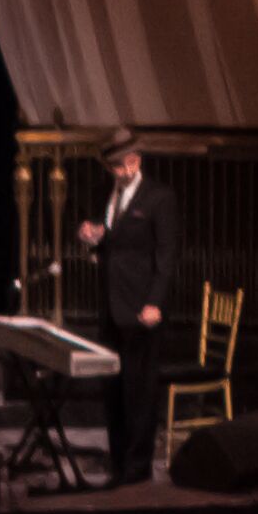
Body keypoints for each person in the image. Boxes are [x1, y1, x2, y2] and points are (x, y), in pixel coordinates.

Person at [82, 131, 183, 483]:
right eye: (114, 167)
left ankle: (137, 469)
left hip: (141, 308)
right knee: (113, 389)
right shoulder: (106, 194)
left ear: (136, 161)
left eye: (125, 165)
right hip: (111, 306)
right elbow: (113, 244)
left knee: (139, 391)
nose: (121, 172)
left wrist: (155, 301)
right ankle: (118, 461)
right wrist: (94, 237)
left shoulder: (159, 198)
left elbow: (166, 256)